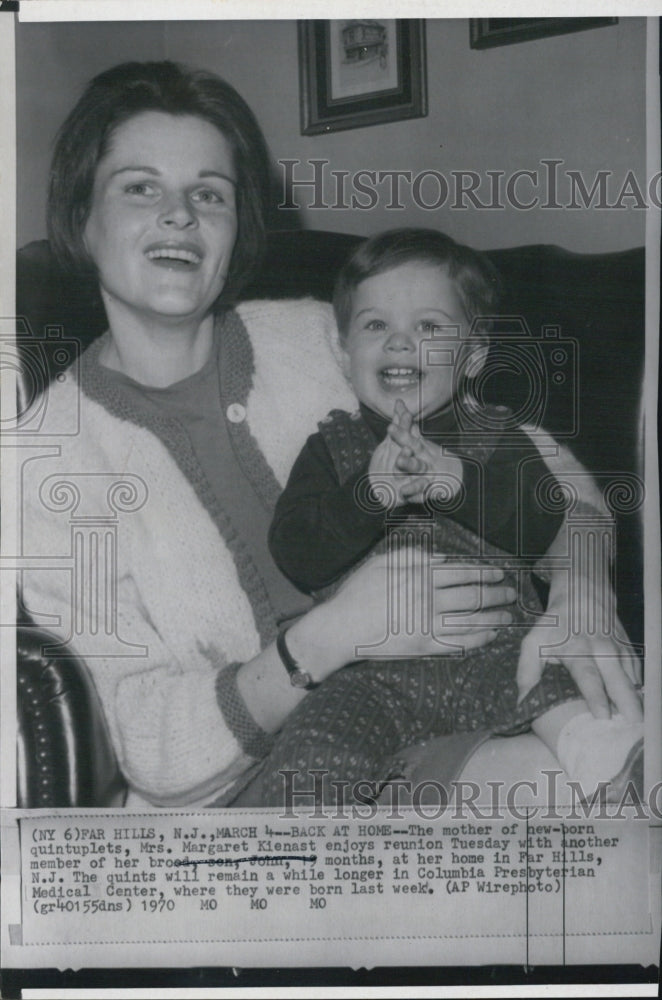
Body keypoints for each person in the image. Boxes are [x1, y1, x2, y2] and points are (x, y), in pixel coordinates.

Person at [19, 62, 641, 810]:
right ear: (81, 215)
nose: (179, 215)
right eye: (141, 187)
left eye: (209, 193)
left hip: (470, 681)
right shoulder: (45, 454)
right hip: (270, 783)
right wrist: (333, 635)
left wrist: (582, 588)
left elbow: (539, 465)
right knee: (580, 800)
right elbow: (144, 740)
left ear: (237, 223)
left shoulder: (322, 336)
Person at [262, 229, 644, 806]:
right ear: (344, 353)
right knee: (311, 752)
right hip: (368, 671)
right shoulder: (329, 447)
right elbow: (296, 551)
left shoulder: (496, 434)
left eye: (428, 327)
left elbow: (546, 528)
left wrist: (458, 482)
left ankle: (610, 757)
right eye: (375, 326)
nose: (398, 343)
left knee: (553, 680)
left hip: (495, 644)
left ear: (473, 356)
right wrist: (370, 494)